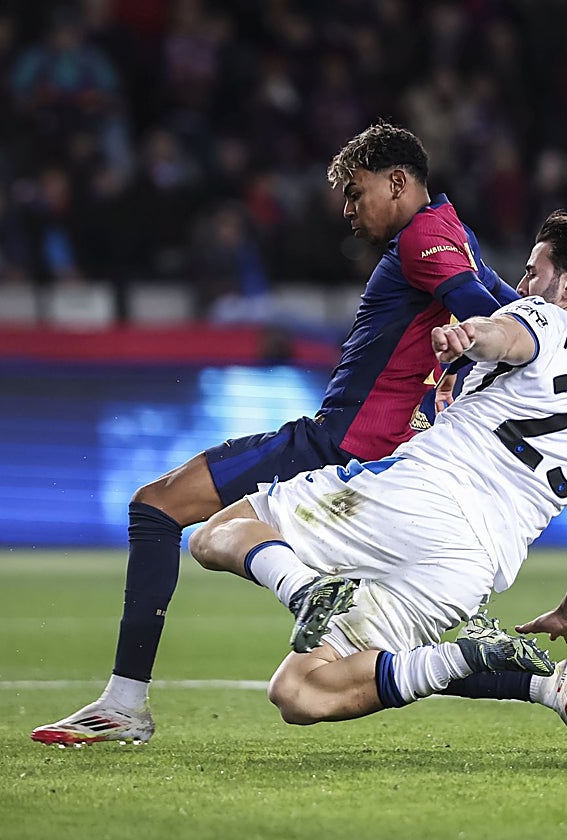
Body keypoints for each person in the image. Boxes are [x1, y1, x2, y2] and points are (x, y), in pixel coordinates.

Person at [31, 121, 520, 745]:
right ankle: (531, 680)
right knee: (354, 661)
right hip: (387, 460)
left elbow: (489, 320)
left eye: (356, 192)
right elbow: (512, 318)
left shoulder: (425, 237)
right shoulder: (455, 232)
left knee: (156, 509)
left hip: (342, 445)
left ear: (398, 182)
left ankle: (131, 700)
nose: (347, 209)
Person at [187, 211, 567, 752]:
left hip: (417, 498)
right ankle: (506, 670)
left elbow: (503, 335)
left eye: (532, 272)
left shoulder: (544, 317)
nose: (521, 286)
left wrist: (469, 332)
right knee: (301, 692)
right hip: (471, 567)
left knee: (217, 533)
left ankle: (304, 589)